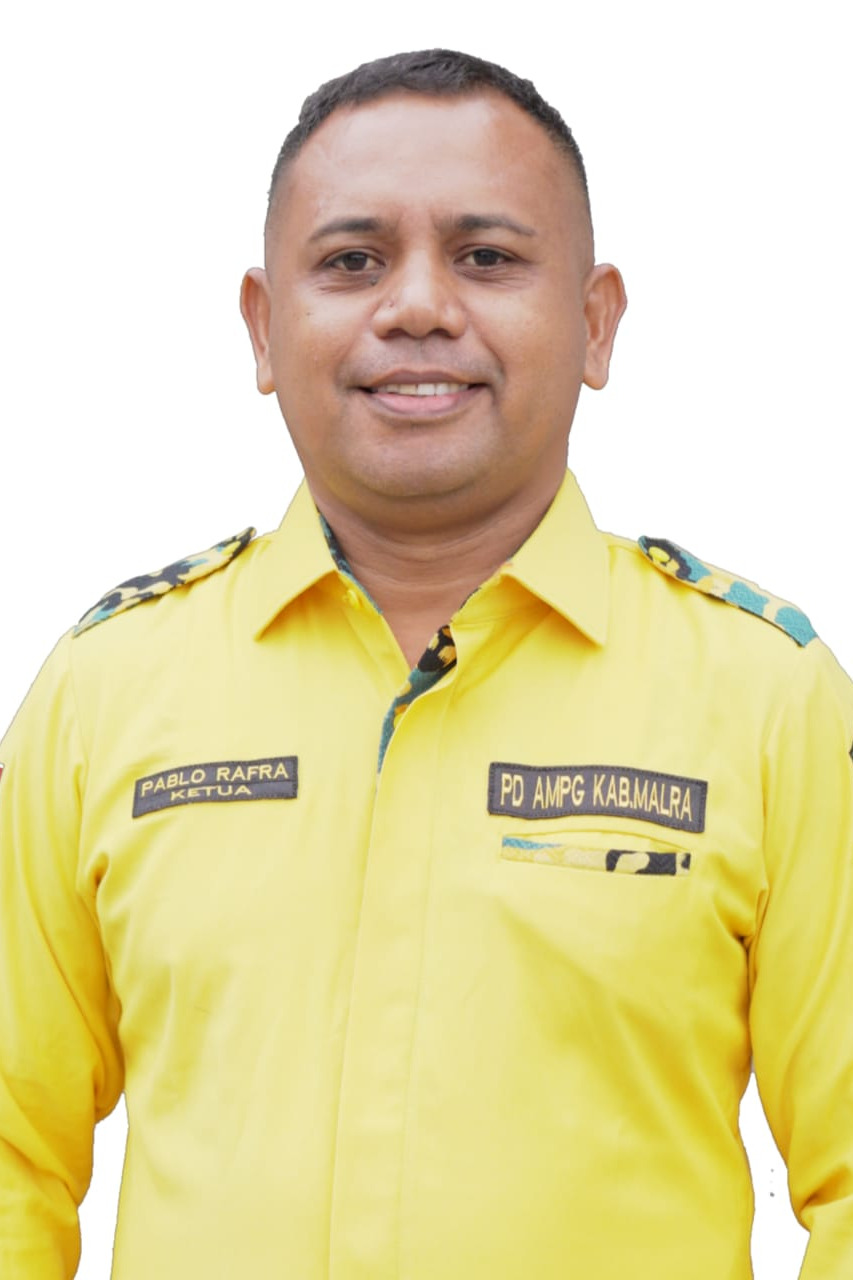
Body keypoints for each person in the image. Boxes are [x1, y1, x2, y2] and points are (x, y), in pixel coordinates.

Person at [0, 47, 850, 1280]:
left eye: (486, 257)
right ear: (263, 326)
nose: (415, 307)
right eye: (351, 260)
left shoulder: (767, 699)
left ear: (595, 321)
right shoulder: (105, 692)